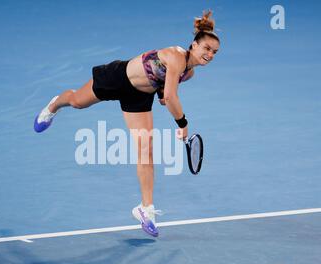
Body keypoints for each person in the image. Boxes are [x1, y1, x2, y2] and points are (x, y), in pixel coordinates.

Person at [34, 10, 220, 237]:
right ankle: (54, 105)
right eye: (207, 49)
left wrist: (161, 92)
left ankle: (146, 208)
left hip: (139, 97)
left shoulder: (188, 74)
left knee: (146, 149)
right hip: (118, 78)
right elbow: (171, 97)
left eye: (214, 52)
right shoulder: (175, 56)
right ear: (194, 45)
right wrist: (182, 123)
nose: (210, 54)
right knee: (76, 102)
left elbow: (165, 91)